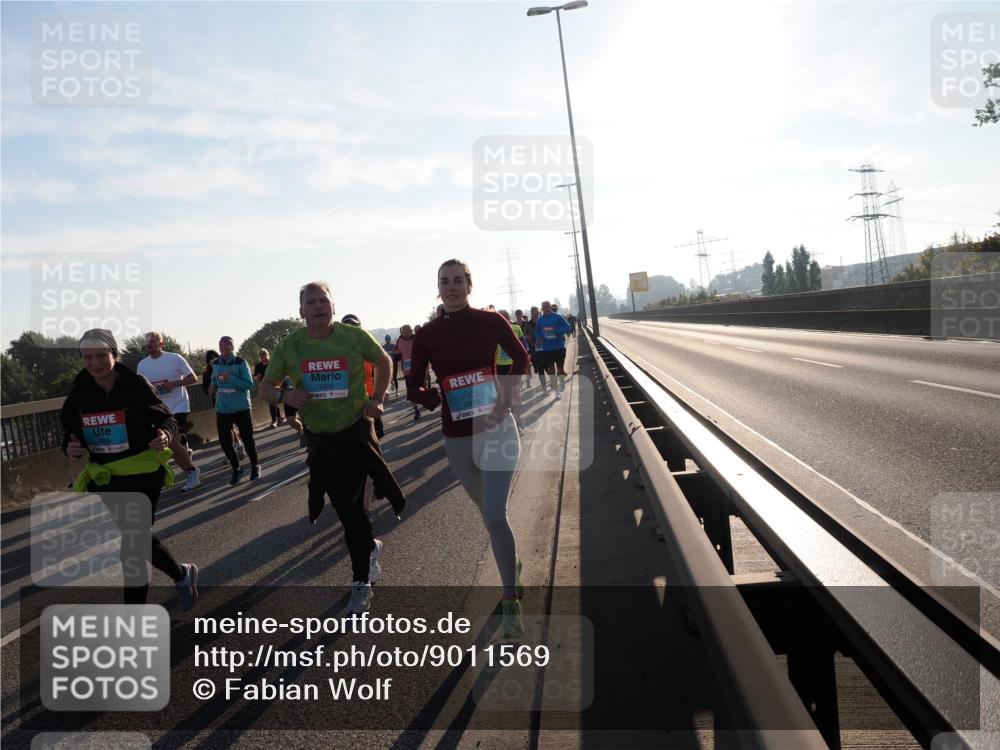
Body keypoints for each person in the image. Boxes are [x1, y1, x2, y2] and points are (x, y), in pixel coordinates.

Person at [260, 282, 404, 614]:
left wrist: (378, 398)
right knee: (341, 508)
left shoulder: (353, 337)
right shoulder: (289, 346)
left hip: (355, 433)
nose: (318, 305)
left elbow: (384, 362)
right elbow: (267, 387)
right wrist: (285, 396)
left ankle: (360, 581)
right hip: (320, 440)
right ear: (301, 312)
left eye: (323, 300)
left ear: (333, 307)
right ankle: (369, 547)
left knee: (353, 509)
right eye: (310, 302)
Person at [407, 260, 528, 638]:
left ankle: (510, 600)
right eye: (445, 281)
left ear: (469, 285)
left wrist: (505, 398)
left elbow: (521, 357)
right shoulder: (426, 334)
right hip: (457, 438)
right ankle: (514, 564)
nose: (452, 287)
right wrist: (434, 398)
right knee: (492, 516)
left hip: (497, 429)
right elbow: (413, 387)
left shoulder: (491, 321)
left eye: (458, 280)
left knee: (493, 515)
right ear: (438, 288)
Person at [61, 329, 198, 610]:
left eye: (101, 355)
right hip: (107, 476)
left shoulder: (135, 383)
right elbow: (70, 431)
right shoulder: (79, 391)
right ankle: (182, 574)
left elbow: (167, 419)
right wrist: (70, 446)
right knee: (136, 538)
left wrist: (163, 434)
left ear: (114, 354)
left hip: (144, 471)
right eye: (88, 357)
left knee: (133, 544)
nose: (95, 363)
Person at [136, 331, 201, 492]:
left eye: (152, 341)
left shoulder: (174, 358)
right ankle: (185, 450)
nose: (149, 344)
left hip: (179, 407)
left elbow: (193, 378)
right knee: (170, 446)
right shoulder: (142, 365)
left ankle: (193, 472)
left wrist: (174, 383)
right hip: (160, 412)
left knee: (171, 443)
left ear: (160, 344)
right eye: (147, 342)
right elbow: (139, 390)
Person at [210, 336, 261, 484]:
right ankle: (237, 469)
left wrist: (230, 378)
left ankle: (254, 465)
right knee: (225, 442)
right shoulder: (217, 363)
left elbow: (249, 384)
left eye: (226, 344)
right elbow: (214, 378)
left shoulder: (240, 362)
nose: (223, 347)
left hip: (241, 408)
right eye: (220, 344)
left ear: (232, 347)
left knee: (247, 439)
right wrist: (212, 385)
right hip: (222, 408)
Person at [535, 300, 573, 400]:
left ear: (551, 307)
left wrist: (557, 331)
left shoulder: (558, 317)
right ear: (542, 309)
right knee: (551, 369)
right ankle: (557, 391)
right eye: (544, 307)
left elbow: (568, 327)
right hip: (547, 349)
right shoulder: (540, 320)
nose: (546, 308)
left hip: (559, 347)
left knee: (560, 369)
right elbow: (537, 332)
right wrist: (539, 337)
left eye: (548, 306)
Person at [396, 325, 420, 421]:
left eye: (408, 331)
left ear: (411, 331)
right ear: (401, 333)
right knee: (410, 390)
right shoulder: (399, 341)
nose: (406, 334)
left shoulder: (417, 338)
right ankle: (416, 409)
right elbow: (398, 352)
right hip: (407, 371)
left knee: (420, 387)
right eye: (404, 332)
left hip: (419, 367)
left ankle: (424, 400)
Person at [254, 348, 281, 428]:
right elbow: (255, 377)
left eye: (264, 354)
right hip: (264, 386)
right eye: (261, 355)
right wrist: (257, 377)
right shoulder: (258, 366)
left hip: (275, 385)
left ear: (268, 354)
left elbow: (280, 372)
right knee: (272, 402)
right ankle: (279, 417)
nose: (263, 356)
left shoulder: (273, 363)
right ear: (259, 357)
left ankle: (274, 420)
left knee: (272, 402)